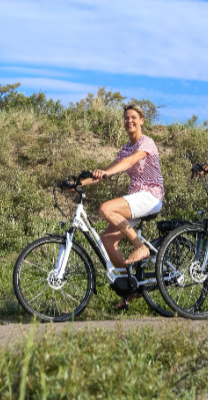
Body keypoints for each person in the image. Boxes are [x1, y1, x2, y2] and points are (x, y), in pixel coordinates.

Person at [81, 104, 164, 310]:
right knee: (107, 241)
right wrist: (78, 184)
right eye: (126, 118)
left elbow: (129, 162)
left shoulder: (147, 142)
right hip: (136, 198)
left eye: (134, 117)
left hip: (151, 196)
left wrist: (109, 173)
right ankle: (129, 290)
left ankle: (139, 246)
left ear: (142, 120)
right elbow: (108, 170)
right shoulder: (125, 147)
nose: (130, 121)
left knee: (106, 209)